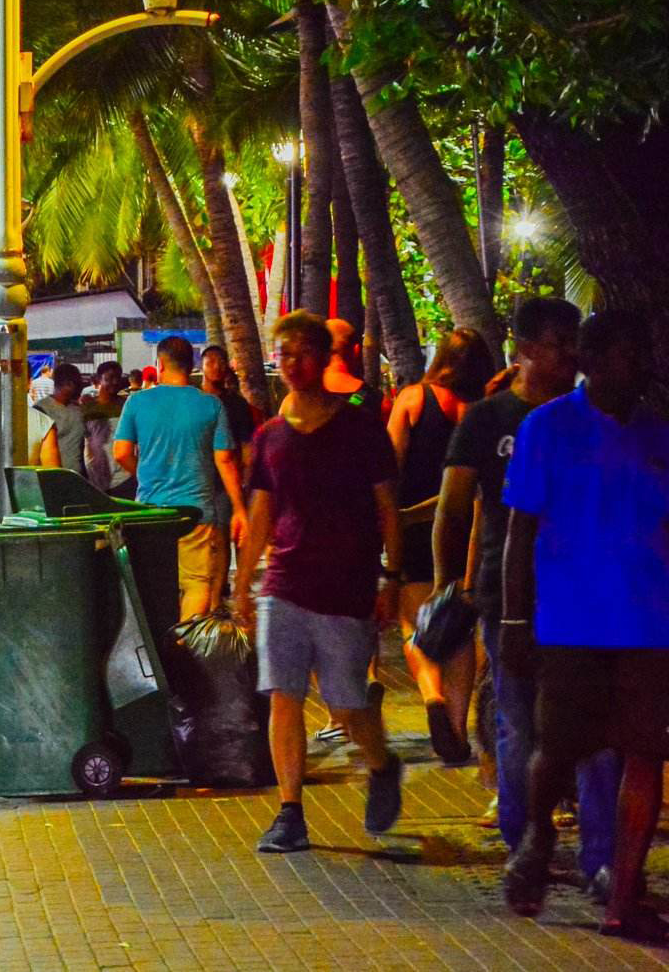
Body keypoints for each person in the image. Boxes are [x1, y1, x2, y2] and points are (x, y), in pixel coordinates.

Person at [499, 309, 669, 942]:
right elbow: (521, 529)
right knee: (557, 746)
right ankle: (539, 834)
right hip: (571, 619)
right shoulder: (547, 428)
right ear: (592, 361)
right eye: (626, 354)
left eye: (643, 354)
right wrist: (516, 617)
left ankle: (623, 891)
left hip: (650, 621)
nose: (640, 366)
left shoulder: (658, 436)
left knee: (646, 754)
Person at [437, 298, 618, 892]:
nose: (572, 355)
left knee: (596, 731)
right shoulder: (490, 419)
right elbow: (456, 509)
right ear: (526, 349)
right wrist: (452, 587)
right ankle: (524, 842)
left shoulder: (593, 416)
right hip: (509, 595)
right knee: (518, 725)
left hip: (586, 597)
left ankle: (601, 856)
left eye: (576, 343)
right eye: (560, 343)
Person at [233, 311, 405, 854]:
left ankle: (381, 765)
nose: (291, 364)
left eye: (302, 352)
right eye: (283, 354)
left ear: (325, 357)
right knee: (283, 697)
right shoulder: (270, 437)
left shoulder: (359, 427)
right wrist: (243, 583)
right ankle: (290, 812)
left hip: (347, 586)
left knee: (348, 706)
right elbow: (260, 515)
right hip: (284, 585)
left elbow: (387, 508)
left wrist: (391, 577)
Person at [386, 326, 498, 764]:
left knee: (416, 624)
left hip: (416, 525)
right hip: (471, 527)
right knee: (461, 628)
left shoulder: (414, 399)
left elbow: (390, 465)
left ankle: (431, 695)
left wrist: (387, 521)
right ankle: (456, 729)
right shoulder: (484, 410)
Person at [113, 336, 247, 619]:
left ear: (159, 364)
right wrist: (239, 507)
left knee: (154, 585)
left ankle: (161, 649)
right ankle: (183, 646)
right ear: (192, 366)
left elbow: (121, 452)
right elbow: (225, 459)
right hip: (196, 513)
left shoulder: (137, 403)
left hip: (150, 512)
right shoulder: (211, 405)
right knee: (197, 583)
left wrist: (145, 473)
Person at [199, 344, 259, 474]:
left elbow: (246, 445)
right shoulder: (193, 400)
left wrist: (247, 475)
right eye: (211, 362)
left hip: (229, 476)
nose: (216, 367)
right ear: (201, 366)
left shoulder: (237, 403)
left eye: (221, 362)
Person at [28, 364, 89, 484]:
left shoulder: (78, 410)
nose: (79, 388)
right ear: (68, 384)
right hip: (53, 480)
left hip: (78, 479)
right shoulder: (41, 410)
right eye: (76, 384)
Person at [83, 361, 134, 497]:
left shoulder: (126, 405)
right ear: (99, 379)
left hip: (125, 478)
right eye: (109, 378)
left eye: (117, 377)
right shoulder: (87, 408)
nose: (114, 382)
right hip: (97, 479)